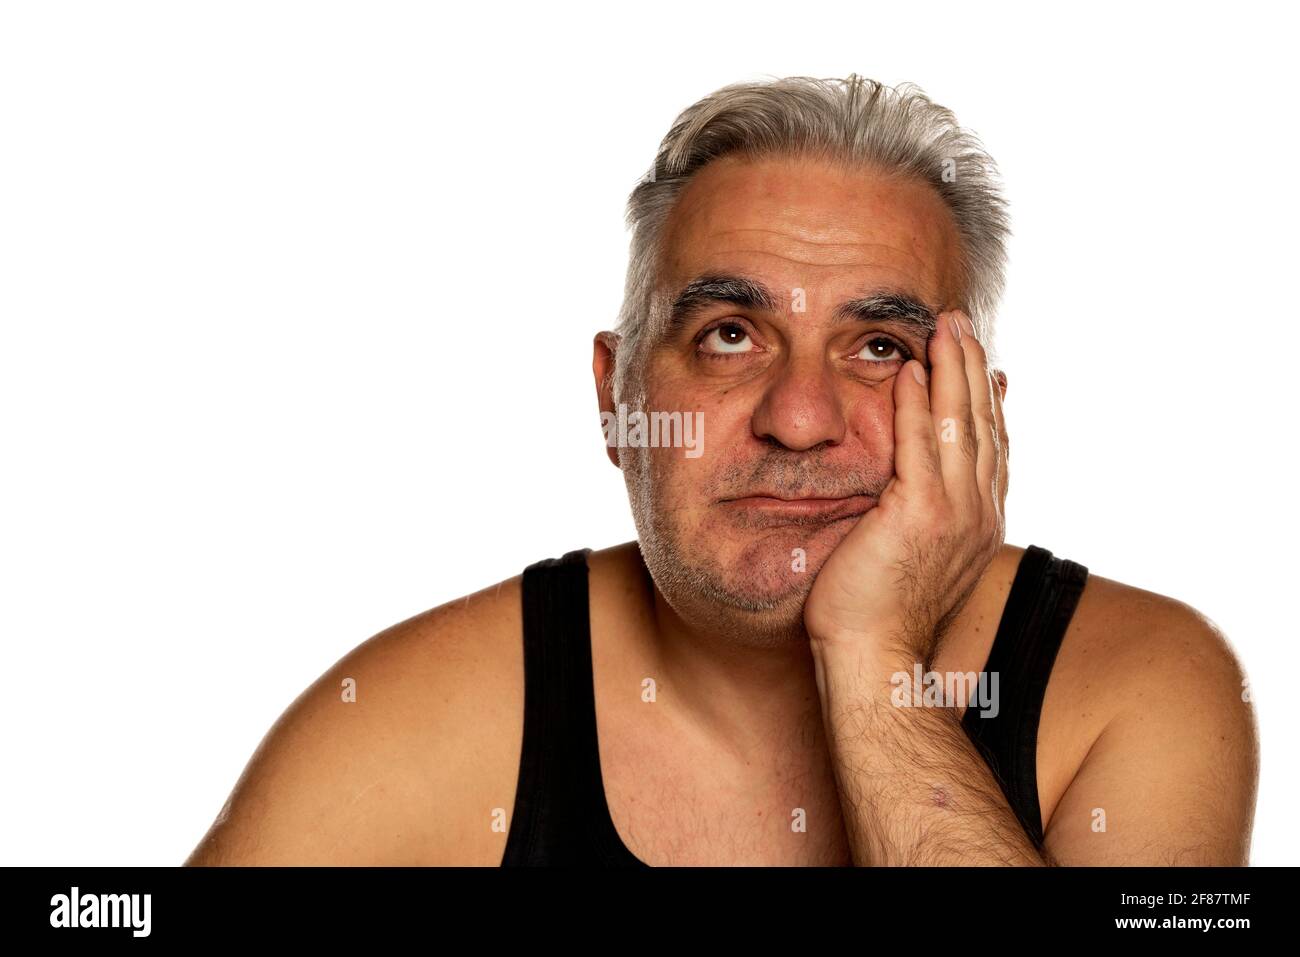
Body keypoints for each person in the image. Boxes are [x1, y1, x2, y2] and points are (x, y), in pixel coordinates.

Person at [185, 75, 1258, 866]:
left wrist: (873, 654)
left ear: (973, 421)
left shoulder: (1149, 685)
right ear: (615, 398)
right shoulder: (405, 718)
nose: (798, 421)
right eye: (730, 336)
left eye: (878, 348)